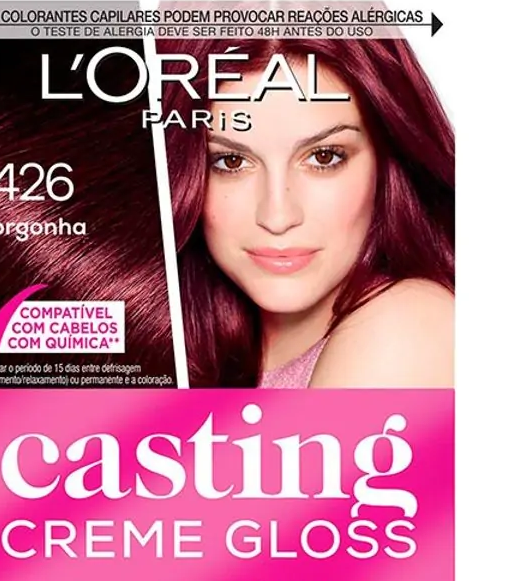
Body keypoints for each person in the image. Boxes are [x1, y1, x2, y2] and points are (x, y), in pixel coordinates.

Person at [162, 38, 455, 389]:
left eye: (324, 157)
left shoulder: (407, 329)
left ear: (387, 158)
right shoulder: (195, 341)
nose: (278, 217)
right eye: (232, 161)